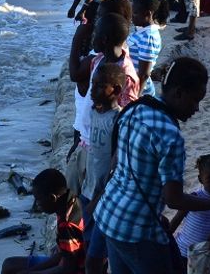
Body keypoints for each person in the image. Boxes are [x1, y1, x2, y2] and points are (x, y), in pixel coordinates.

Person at [93, 57, 210, 274]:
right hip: (136, 228)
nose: (197, 108)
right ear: (178, 93)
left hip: (110, 213)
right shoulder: (171, 136)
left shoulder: (136, 109)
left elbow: (121, 165)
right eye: (195, 100)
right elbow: (174, 199)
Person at [80, 63, 124, 274]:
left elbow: (117, 167)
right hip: (88, 189)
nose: (92, 91)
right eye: (92, 85)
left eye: (99, 86)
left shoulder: (118, 120)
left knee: (96, 257)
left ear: (115, 90)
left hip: (102, 197)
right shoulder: (95, 112)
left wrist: (98, 198)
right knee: (89, 246)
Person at [1, 168, 84, 274]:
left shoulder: (67, 224)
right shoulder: (71, 200)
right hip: (65, 260)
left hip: (75, 269)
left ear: (52, 198)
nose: (36, 204)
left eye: (38, 199)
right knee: (9, 265)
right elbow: (65, 254)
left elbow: (67, 269)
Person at [170, 154, 210, 264]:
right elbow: (175, 221)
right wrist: (165, 242)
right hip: (181, 252)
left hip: (202, 256)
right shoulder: (194, 198)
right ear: (200, 179)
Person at [128, 0, 165, 97]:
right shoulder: (142, 31)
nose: (132, 16)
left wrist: (136, 97)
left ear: (148, 14)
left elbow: (144, 74)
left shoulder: (149, 37)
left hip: (139, 91)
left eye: (135, 13)